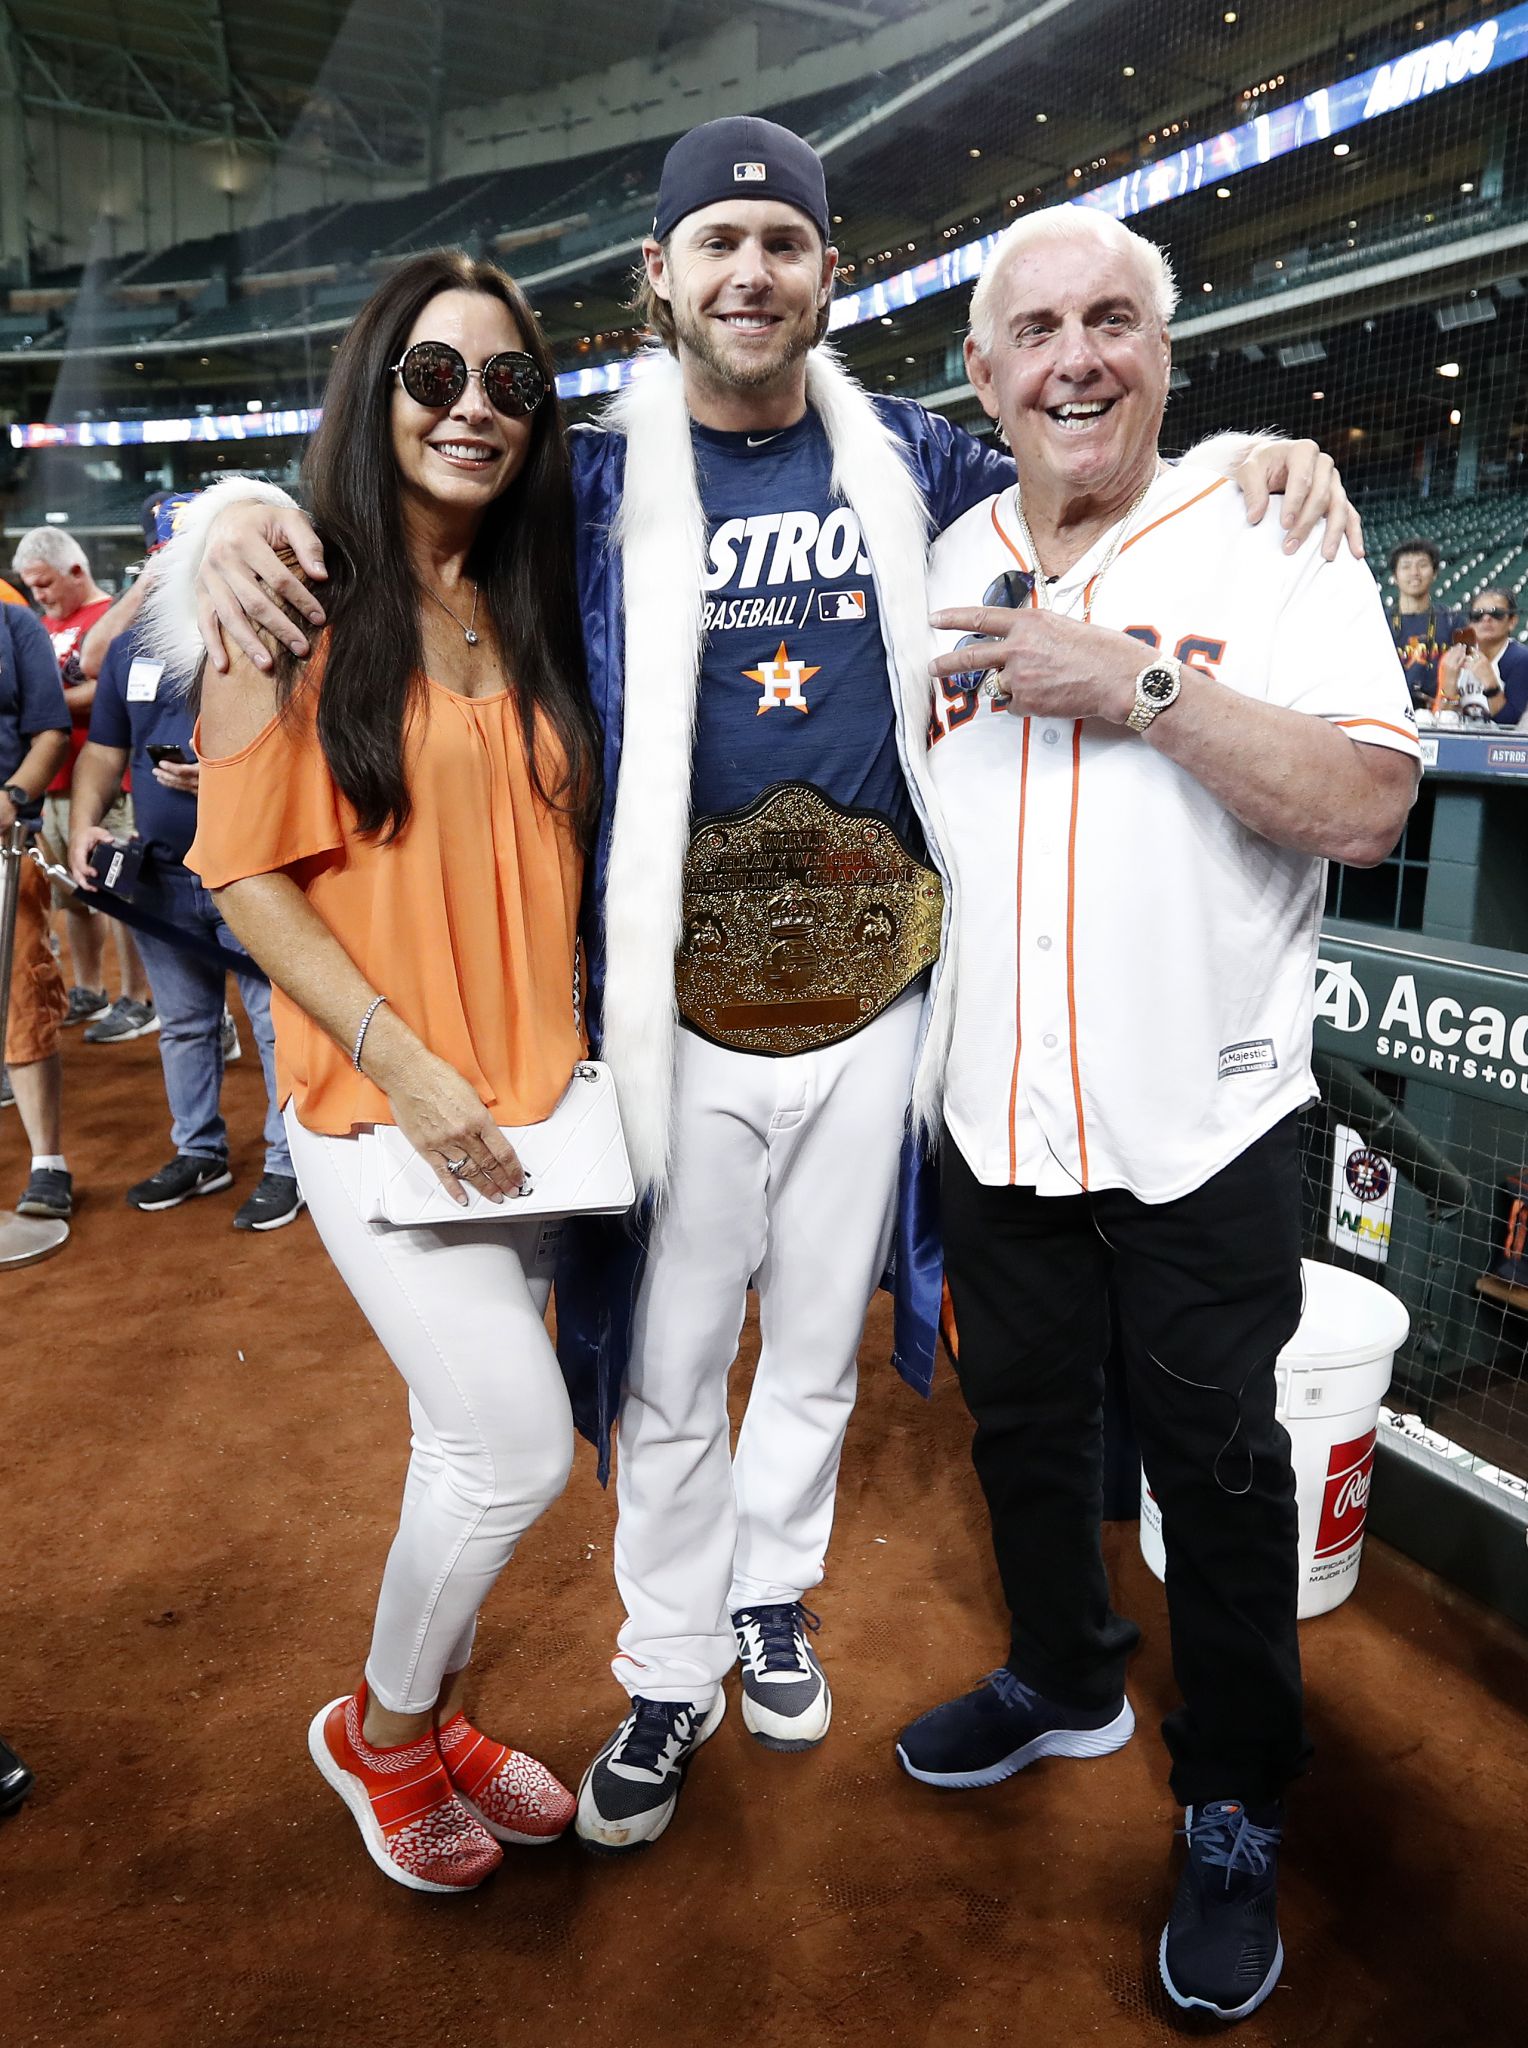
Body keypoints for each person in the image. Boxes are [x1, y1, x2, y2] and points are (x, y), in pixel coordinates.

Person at [154, 119, 1361, 1860]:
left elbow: (1087, 456)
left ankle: (770, 1596)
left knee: (810, 1341)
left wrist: (1258, 452)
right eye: (713, 243)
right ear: (658, 274)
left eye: (779, 246)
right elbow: (409, 487)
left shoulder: (908, 454)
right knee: (665, 1349)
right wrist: (238, 514)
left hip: (875, 1004)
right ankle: (666, 1660)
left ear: (825, 274)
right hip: (665, 1005)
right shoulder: (584, 470)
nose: (747, 273)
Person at [898, 205, 1419, 2024]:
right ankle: (1060, 1669)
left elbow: (1363, 801)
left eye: (1112, 320)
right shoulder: (935, 547)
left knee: (1218, 1469)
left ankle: (1229, 1792)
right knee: (1023, 1429)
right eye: (1034, 329)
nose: (1075, 359)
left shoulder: (1267, 526)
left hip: (1199, 1123)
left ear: (1163, 352)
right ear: (982, 374)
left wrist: (1136, 684)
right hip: (994, 1111)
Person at [176, 251, 603, 1892]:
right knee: (514, 1445)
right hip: (378, 1105)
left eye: (507, 382)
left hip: (531, 1108)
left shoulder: (530, 589)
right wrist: (401, 1059)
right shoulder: (290, 593)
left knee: (456, 1443)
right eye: (435, 377)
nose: (472, 410)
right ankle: (379, 1720)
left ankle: (434, 1723)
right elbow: (242, 868)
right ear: (377, 391)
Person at [66, 495, 304, 1231]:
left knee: (274, 1023)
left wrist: (234, 775)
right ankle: (199, 1150)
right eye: (160, 551)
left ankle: (289, 1164)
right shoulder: (135, 643)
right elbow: (106, 749)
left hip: (256, 868)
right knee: (184, 1023)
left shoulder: (273, 622)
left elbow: (314, 744)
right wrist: (82, 823)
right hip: (164, 871)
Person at [10, 527, 156, 1041]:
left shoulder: (109, 618)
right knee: (72, 895)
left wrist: (39, 705)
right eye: (30, 587)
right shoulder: (41, 626)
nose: (38, 597)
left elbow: (108, 692)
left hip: (106, 783)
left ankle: (138, 998)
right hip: (51, 782)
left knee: (121, 892)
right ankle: (91, 988)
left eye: (45, 584)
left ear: (76, 571)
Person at [0, 596, 72, 1217]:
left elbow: (50, 729)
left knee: (24, 994)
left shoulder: (13, 623)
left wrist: (13, 796)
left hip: (4, 840)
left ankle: (47, 1162)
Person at [1387, 536, 1462, 710]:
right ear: (1395, 577)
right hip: (1392, 713)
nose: (1414, 572)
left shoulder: (1454, 620)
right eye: (1406, 566)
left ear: (1435, 573)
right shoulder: (1380, 622)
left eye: (1422, 565)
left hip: (1440, 712)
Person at [1438, 586, 1528, 725]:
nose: (1486, 618)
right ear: (1470, 622)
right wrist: (1449, 685)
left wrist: (1490, 684)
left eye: (1496, 613)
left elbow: (1513, 725)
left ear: (1512, 621)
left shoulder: (1520, 659)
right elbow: (1442, 721)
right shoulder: (1457, 657)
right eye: (1477, 615)